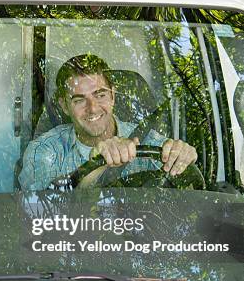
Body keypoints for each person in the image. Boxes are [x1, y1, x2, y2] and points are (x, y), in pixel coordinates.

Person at [19, 54, 197, 190]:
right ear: (64, 106)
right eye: (79, 100)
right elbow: (40, 215)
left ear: (112, 96)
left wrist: (183, 156)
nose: (93, 108)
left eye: (100, 95)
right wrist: (95, 167)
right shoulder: (43, 151)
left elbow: (190, 195)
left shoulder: (148, 142)